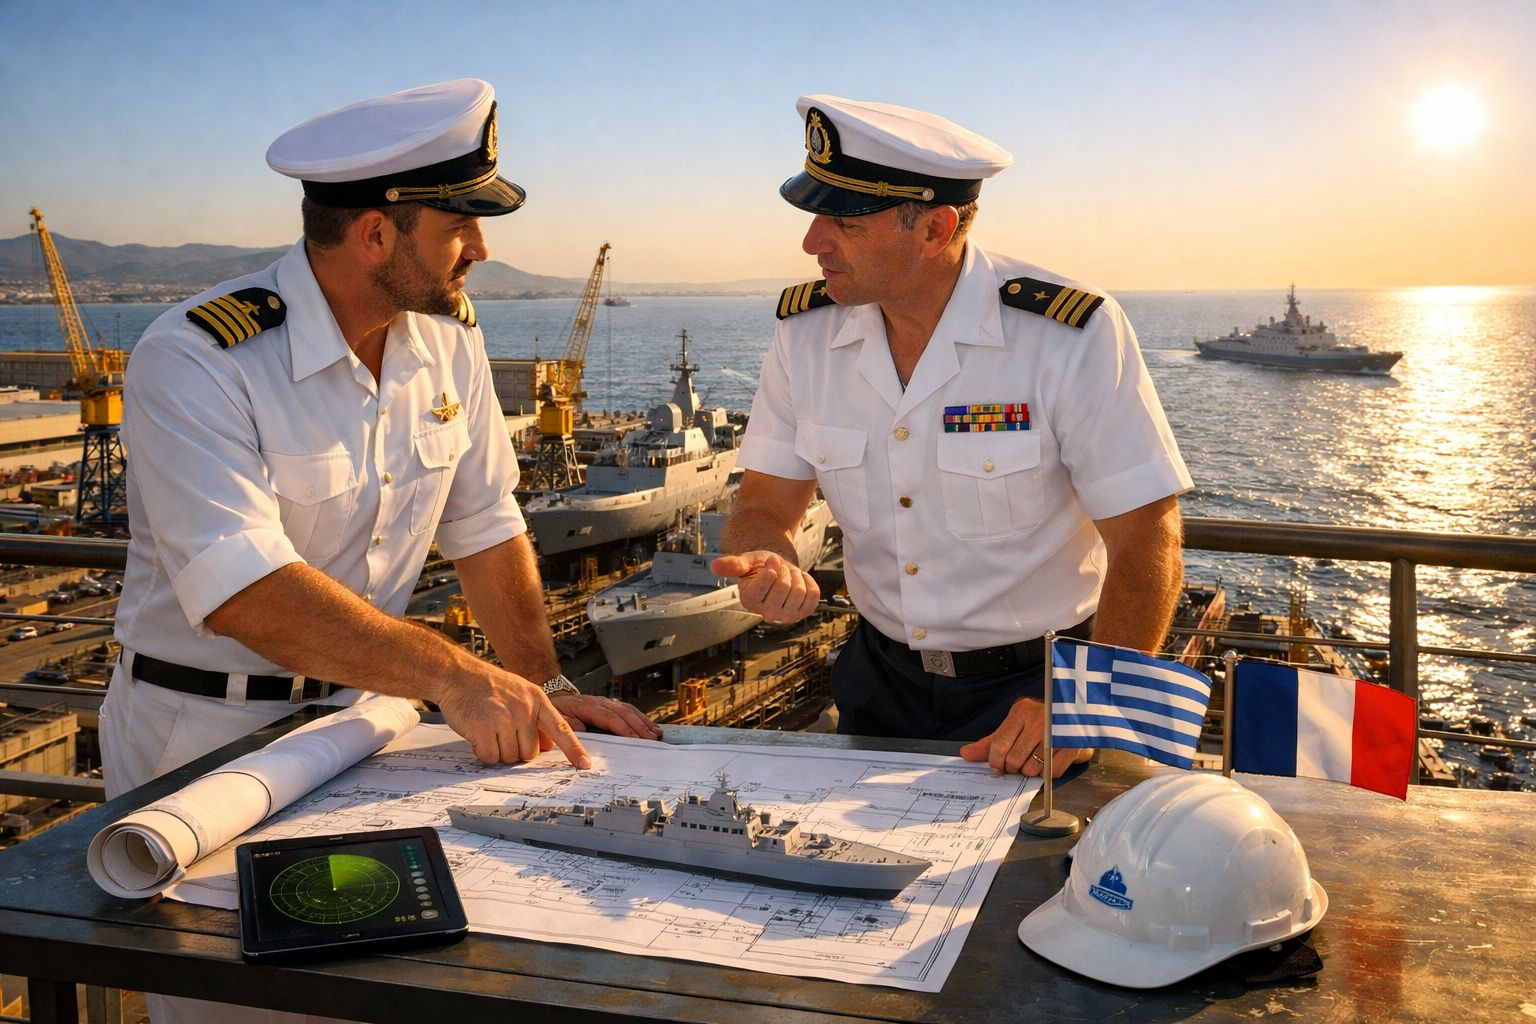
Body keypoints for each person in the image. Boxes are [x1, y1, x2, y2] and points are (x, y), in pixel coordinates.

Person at [100, 77, 664, 1007]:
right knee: (230, 1006)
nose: (481, 249)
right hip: (205, 738)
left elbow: (486, 526)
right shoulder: (198, 356)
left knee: (379, 989)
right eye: (460, 226)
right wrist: (454, 676)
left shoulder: (449, 342)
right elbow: (243, 589)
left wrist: (546, 687)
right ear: (374, 234)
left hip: (364, 728)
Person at [712, 95, 1190, 778]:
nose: (812, 242)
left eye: (845, 221)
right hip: (877, 686)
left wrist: (1082, 703)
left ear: (935, 229)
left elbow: (1147, 535)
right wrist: (766, 556)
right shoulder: (805, 335)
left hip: (1037, 695)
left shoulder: (1067, 335)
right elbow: (763, 504)